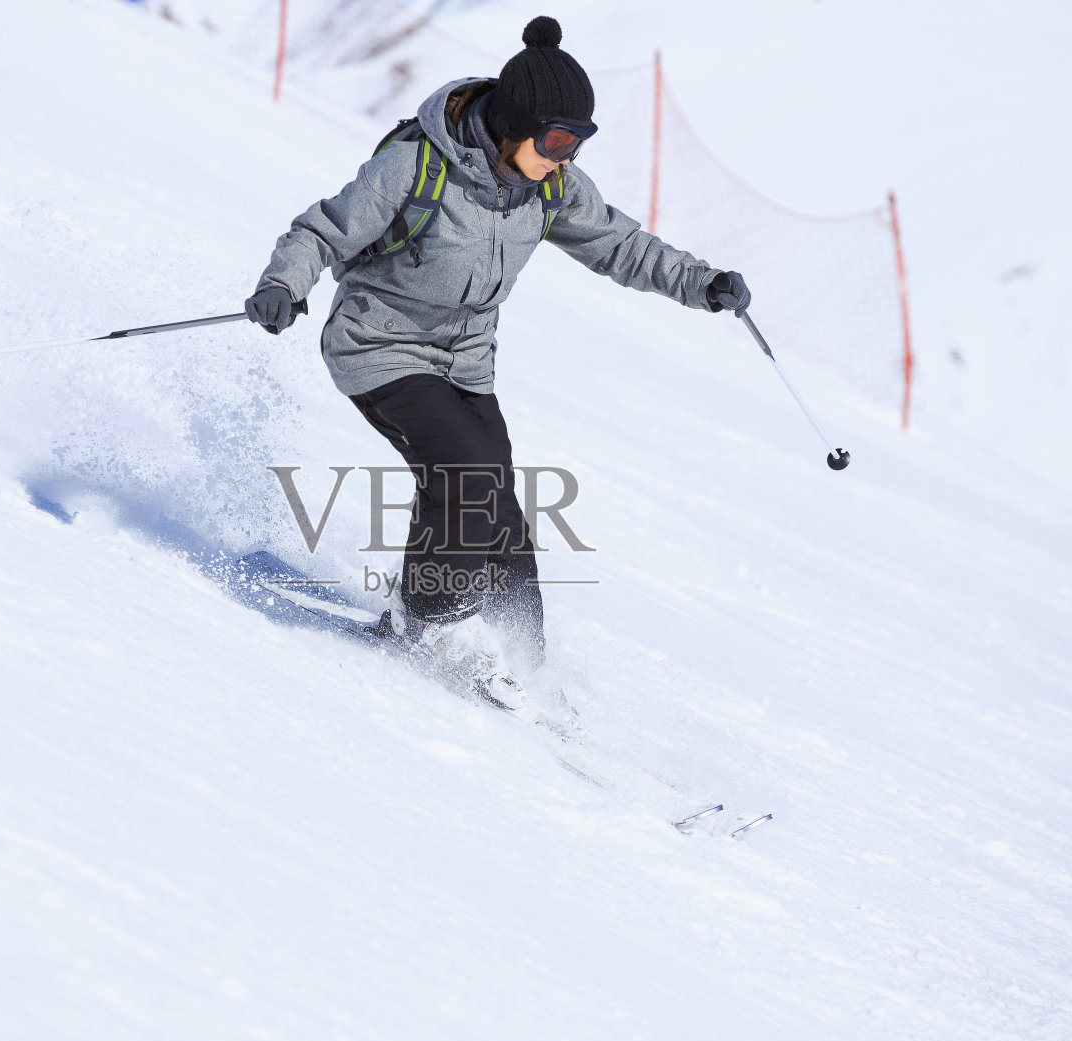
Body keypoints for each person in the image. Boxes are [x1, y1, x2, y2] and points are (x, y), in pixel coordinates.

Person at [246, 16, 750, 709]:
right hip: (379, 347)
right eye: (555, 140)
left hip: (466, 364)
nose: (565, 156)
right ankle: (420, 623)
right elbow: (324, 229)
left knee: (502, 513)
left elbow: (620, 244)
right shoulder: (416, 163)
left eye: (579, 141)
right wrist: (284, 284)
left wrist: (702, 283)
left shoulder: (547, 184)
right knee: (466, 477)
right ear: (513, 125)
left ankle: (526, 667)